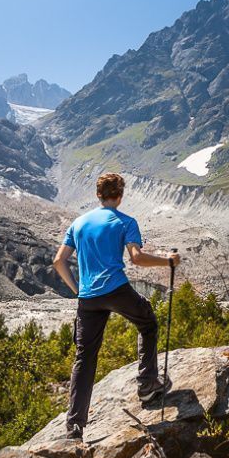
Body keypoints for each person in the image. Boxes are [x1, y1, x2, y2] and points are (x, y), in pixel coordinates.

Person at [52, 172, 180, 441]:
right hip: (117, 289)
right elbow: (137, 259)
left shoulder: (78, 223)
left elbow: (58, 262)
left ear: (98, 195)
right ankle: (147, 384)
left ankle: (74, 425)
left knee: (84, 357)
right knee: (147, 323)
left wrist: (79, 291)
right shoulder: (125, 222)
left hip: (88, 298)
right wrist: (168, 261)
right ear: (120, 196)